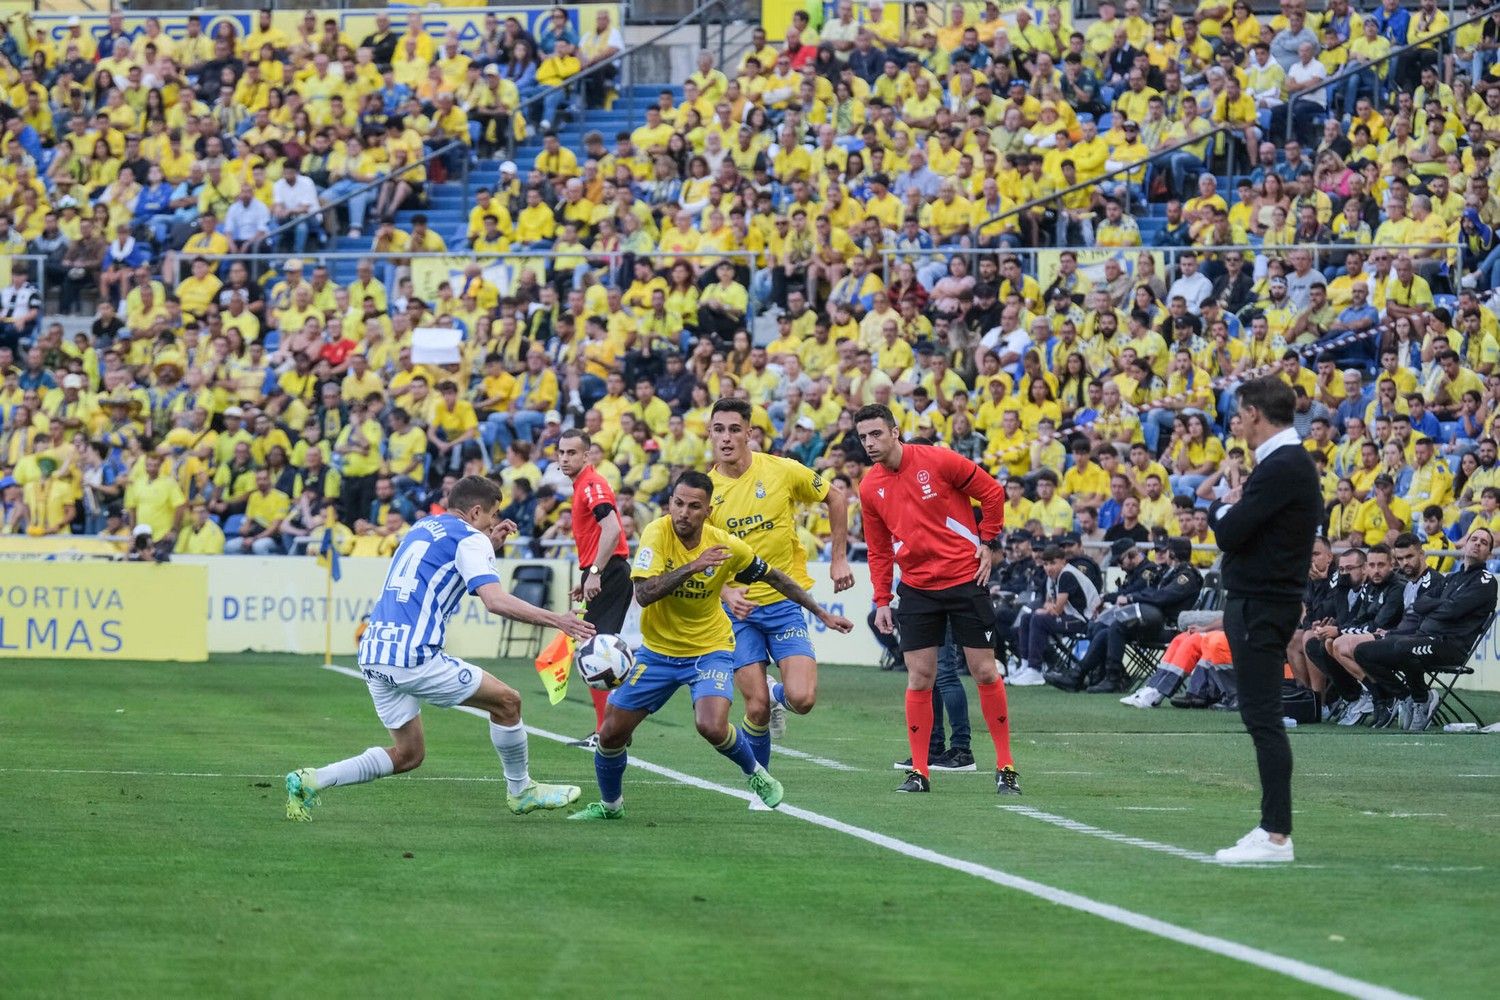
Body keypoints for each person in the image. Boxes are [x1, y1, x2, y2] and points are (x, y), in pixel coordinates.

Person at [284, 475, 596, 821]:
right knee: (508, 702)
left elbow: (447, 559)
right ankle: (521, 791)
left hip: (374, 651)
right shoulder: (471, 541)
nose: (494, 523)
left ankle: (312, 780)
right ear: (476, 511)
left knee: (408, 754)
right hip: (413, 655)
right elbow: (493, 600)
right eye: (493, 516)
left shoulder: (424, 526)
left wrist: (488, 543)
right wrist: (559, 620)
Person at [568, 472, 852, 820]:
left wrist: (821, 612)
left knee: (711, 725)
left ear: (707, 510)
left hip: (709, 648)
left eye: (694, 506)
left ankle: (757, 776)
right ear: (670, 502)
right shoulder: (657, 533)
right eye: (678, 503)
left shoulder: (726, 546)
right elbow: (643, 594)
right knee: (611, 733)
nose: (684, 512)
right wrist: (694, 566)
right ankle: (610, 807)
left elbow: (775, 577)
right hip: (658, 651)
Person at [854, 403, 1020, 796]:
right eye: (863, 437)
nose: (870, 443)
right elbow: (878, 550)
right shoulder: (868, 487)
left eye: (876, 434)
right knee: (920, 678)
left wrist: (988, 541)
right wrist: (881, 599)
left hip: (965, 580)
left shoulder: (939, 460)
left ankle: (1006, 767)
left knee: (984, 672)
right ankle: (920, 771)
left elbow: (992, 492)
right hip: (916, 588)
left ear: (895, 432)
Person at [707, 399, 854, 788]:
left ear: (749, 433)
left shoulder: (781, 470)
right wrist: (724, 592)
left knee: (803, 700)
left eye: (734, 429)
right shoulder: (707, 493)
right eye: (718, 429)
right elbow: (694, 557)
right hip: (737, 614)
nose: (726, 438)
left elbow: (836, 498)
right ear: (710, 434)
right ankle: (762, 786)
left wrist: (838, 559)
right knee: (754, 707)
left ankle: (778, 694)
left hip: (785, 603)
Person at [1205, 377, 1322, 864]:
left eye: (1239, 414)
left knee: (1263, 718)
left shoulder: (1283, 464)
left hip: (1261, 603)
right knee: (1261, 717)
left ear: (1254, 413)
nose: (1237, 424)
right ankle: (1272, 827)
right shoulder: (1284, 463)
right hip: (1262, 600)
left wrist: (1218, 508)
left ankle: (1277, 833)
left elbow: (1231, 531)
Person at [1353, 528, 1498, 732]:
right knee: (1363, 651)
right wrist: (1444, 604)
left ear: (1489, 554)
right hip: (1423, 639)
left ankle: (1422, 699)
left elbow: (1453, 610)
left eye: (1484, 542)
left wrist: (1440, 605)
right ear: (1465, 544)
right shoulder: (1451, 579)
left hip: (1450, 645)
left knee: (1403, 647)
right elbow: (1421, 604)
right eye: (1474, 539)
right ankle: (1405, 696)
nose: (1477, 544)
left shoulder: (1485, 581)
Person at [555, 428, 633, 747]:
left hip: (611, 572)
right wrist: (587, 574)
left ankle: (608, 732)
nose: (564, 458)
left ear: (587, 456)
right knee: (593, 649)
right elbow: (598, 537)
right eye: (561, 452)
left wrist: (596, 571)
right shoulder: (583, 486)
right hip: (605, 571)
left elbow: (612, 530)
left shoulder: (592, 485)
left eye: (572, 453)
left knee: (594, 651)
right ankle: (608, 730)